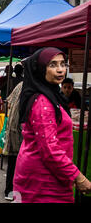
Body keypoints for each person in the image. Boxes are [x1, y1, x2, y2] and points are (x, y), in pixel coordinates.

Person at [13, 47, 91, 203]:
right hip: (43, 181)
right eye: (53, 65)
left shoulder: (51, 94)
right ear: (41, 68)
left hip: (46, 175)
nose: (60, 69)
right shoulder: (43, 102)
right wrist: (78, 177)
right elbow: (50, 149)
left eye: (63, 64)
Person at [3, 80, 24, 201]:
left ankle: (10, 190)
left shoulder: (20, 85)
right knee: (16, 163)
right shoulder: (29, 87)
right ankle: (12, 191)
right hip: (18, 131)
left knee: (13, 162)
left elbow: (9, 103)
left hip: (14, 130)